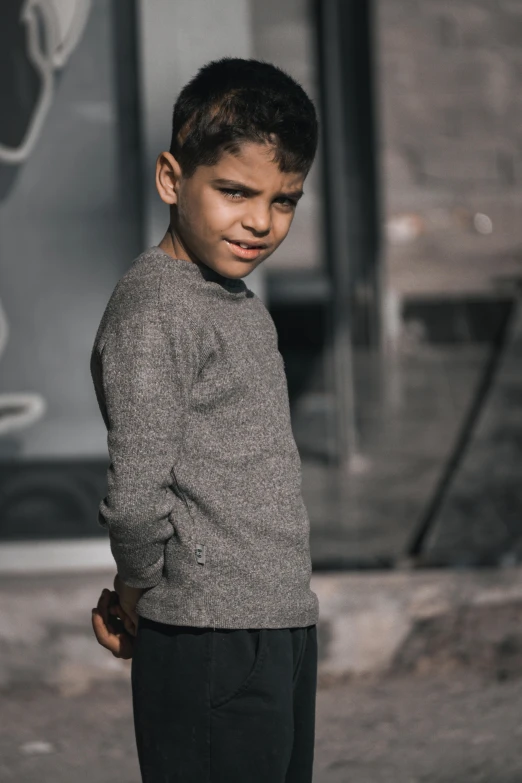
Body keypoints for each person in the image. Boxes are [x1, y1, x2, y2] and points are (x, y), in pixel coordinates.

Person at [89, 56, 319, 783]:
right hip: (203, 631)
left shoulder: (230, 298)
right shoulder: (154, 308)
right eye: (234, 191)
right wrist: (133, 591)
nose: (260, 221)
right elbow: (136, 490)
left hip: (276, 619)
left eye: (284, 200)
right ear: (171, 179)